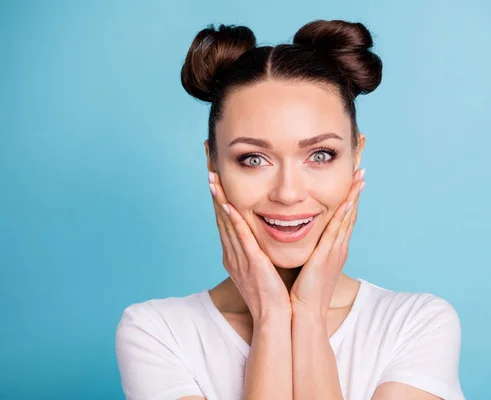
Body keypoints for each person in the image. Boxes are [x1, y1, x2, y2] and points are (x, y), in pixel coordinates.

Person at [115, 19, 465, 400]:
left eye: (319, 155)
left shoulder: (416, 325)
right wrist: (272, 318)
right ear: (213, 162)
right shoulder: (158, 333)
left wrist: (309, 317)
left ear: (356, 155)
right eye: (253, 159)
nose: (287, 192)